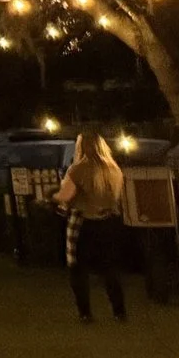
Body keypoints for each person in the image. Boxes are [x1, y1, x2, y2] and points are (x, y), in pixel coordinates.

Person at [56, 130, 129, 322]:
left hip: (83, 222)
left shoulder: (78, 169)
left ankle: (85, 312)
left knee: (78, 269)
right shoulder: (113, 169)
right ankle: (119, 311)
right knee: (110, 268)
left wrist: (53, 197)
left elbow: (66, 196)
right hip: (109, 222)